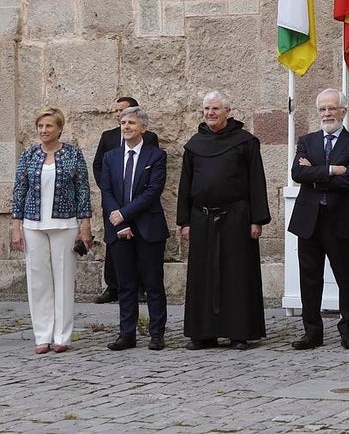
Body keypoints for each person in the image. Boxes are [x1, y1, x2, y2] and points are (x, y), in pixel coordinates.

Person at [176, 91, 271, 350]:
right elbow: (185, 185)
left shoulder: (245, 142)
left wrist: (257, 220)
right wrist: (185, 221)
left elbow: (256, 181)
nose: (210, 113)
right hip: (202, 218)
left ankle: (238, 333)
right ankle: (203, 333)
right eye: (206, 109)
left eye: (215, 108)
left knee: (236, 275)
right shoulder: (194, 144)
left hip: (237, 218)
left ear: (227, 111)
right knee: (202, 277)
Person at [288, 89, 349, 350]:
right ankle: (312, 332)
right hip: (309, 220)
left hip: (341, 220)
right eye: (322, 109)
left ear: (343, 111)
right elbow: (298, 173)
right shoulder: (307, 141)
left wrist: (315, 173)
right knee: (309, 278)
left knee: (345, 277)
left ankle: (348, 330)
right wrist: (332, 170)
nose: (327, 113)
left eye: (332, 108)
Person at [10, 107, 94, 354]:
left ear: (59, 128)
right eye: (40, 126)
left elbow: (82, 191)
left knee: (64, 279)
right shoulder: (28, 155)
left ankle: (62, 335)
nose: (43, 131)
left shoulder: (73, 155)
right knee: (38, 281)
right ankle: (42, 335)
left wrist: (85, 225)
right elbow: (19, 191)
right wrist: (16, 227)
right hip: (33, 224)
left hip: (65, 223)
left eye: (48, 126)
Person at [100, 106, 169, 352]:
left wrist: (124, 215)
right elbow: (106, 191)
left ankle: (157, 333)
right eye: (123, 123)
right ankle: (126, 333)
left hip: (148, 227)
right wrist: (120, 222)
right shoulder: (111, 157)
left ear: (143, 128)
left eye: (131, 123)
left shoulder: (156, 156)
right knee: (126, 285)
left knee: (153, 283)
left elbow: (152, 191)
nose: (126, 127)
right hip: (120, 229)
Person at [91, 95, 160, 304]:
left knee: (140, 246)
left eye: (123, 111)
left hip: (139, 204)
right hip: (114, 203)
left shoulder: (150, 138)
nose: (119, 115)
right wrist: (108, 191)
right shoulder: (108, 136)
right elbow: (98, 165)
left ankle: (138, 287)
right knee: (114, 246)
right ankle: (112, 286)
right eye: (117, 113)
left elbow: (151, 172)